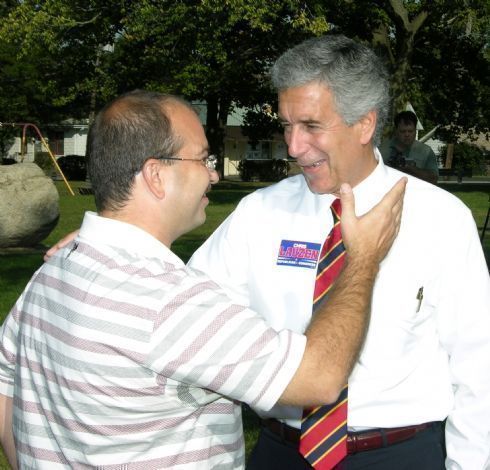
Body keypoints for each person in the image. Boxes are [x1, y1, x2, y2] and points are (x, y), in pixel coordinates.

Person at [0, 90, 406, 469]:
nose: (212, 176)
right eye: (202, 160)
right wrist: (362, 260)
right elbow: (317, 378)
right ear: (156, 175)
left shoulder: (53, 272)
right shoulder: (166, 302)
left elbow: (5, 385)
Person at [188, 35, 490, 469]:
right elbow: (189, 309)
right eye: (286, 126)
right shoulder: (260, 212)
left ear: (365, 124)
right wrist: (115, 250)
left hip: (399, 455)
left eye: (311, 126)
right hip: (281, 453)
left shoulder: (441, 219)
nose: (293, 146)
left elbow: (477, 365)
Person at [380, 110, 439, 184]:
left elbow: (434, 179)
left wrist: (412, 169)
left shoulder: (426, 151)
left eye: (410, 131)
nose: (407, 135)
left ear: (415, 131)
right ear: (396, 131)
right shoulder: (382, 149)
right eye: (403, 131)